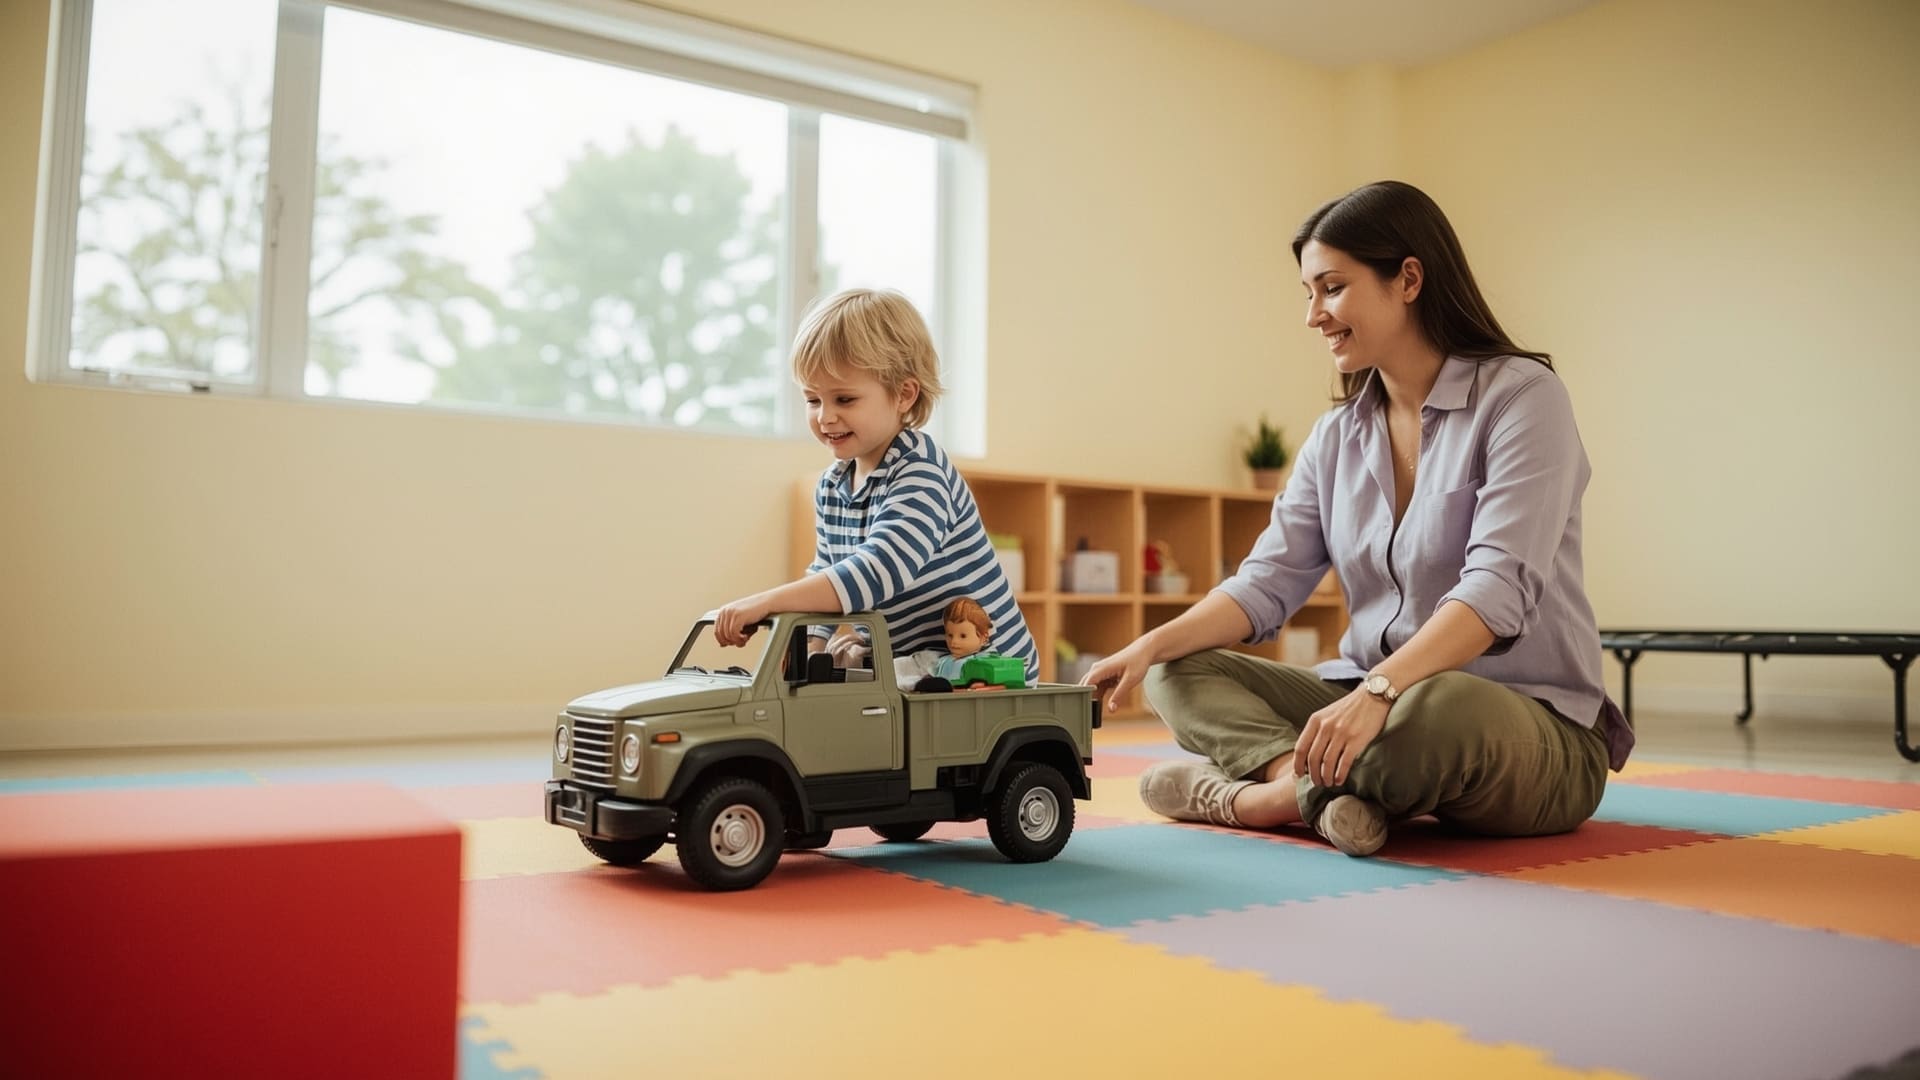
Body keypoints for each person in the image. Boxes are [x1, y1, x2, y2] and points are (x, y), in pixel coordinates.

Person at [1082, 180, 1633, 858]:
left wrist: (1380, 690)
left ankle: (1252, 801)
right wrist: (1149, 645)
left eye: (1332, 288)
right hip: (1367, 700)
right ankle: (1324, 792)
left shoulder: (1523, 398)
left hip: (1523, 724)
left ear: (1408, 280)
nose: (1313, 315)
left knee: (1440, 705)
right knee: (1175, 668)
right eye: (1308, 293)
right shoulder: (1335, 436)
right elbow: (1266, 583)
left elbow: (1496, 592)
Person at [714, 289, 1039, 684]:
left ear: (903, 395)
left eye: (844, 399)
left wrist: (768, 601)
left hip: (983, 668)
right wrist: (809, 647)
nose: (825, 417)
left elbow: (878, 569)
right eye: (813, 400)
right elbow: (827, 569)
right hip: (914, 664)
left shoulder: (920, 471)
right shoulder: (831, 487)